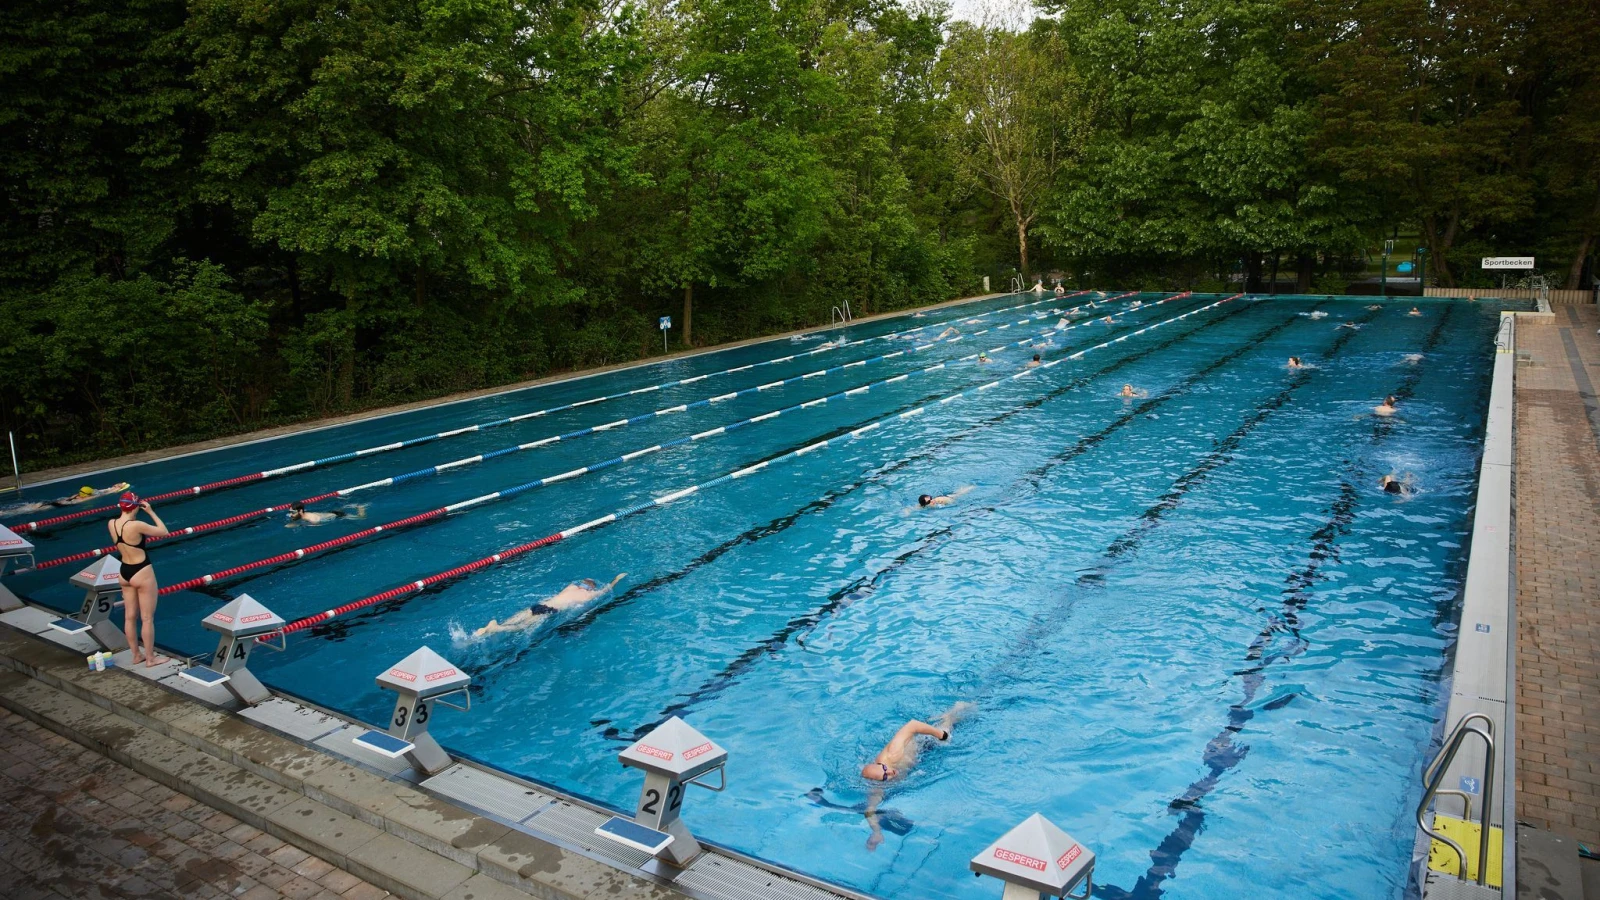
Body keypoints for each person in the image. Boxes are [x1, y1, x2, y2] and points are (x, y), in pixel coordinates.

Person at [860, 703, 974, 849]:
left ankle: (958, 708)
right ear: (879, 782)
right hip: (920, 758)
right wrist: (876, 832)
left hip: (921, 743)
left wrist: (941, 735)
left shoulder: (893, 754)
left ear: (882, 764)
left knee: (949, 724)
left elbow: (912, 725)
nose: (889, 773)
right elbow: (869, 811)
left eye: (885, 769)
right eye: (884, 777)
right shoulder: (879, 789)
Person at [109, 493, 169, 667]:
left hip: (124, 571)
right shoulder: (136, 525)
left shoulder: (111, 523)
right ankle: (150, 659)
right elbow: (164, 531)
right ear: (135, 507)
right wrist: (151, 511)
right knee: (147, 618)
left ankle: (136, 655)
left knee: (129, 617)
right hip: (142, 571)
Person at [474, 574, 627, 637]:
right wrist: (617, 578)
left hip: (539, 604)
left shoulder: (570, 587)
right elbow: (607, 589)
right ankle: (496, 629)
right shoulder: (588, 595)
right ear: (592, 588)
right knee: (522, 627)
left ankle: (495, 625)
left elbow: (579, 582)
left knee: (518, 618)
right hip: (550, 610)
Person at [0, 482, 131, 518]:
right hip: (56, 505)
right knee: (25, 512)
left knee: (28, 507)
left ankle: (3, 512)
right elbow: (100, 494)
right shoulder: (82, 501)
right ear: (88, 495)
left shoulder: (77, 495)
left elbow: (99, 491)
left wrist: (112, 487)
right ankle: (4, 513)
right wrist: (115, 490)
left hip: (53, 501)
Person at [287, 501, 368, 525]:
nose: (290, 515)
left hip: (337, 515)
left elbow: (317, 524)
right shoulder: (302, 515)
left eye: (292, 513)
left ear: (300, 511)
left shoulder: (311, 518)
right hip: (329, 513)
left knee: (361, 517)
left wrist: (300, 524)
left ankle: (361, 508)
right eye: (290, 512)